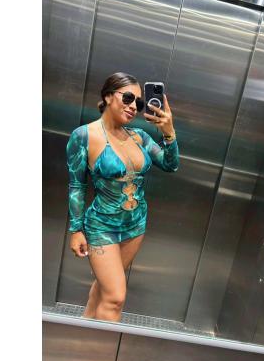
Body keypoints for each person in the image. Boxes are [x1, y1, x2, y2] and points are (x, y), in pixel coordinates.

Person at [66, 72, 179, 322]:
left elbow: (170, 165)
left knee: (103, 290)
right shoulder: (84, 136)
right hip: (101, 227)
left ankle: (84, 332)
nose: (133, 106)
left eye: (138, 102)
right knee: (115, 297)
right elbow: (77, 185)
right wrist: (76, 230)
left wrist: (169, 132)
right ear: (108, 96)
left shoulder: (139, 137)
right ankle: (101, 348)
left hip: (135, 226)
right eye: (127, 98)